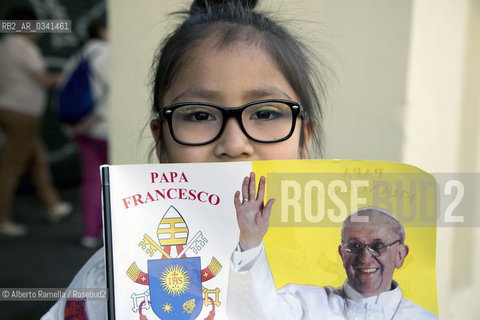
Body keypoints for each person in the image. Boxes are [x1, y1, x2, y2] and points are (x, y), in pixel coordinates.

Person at [42, 0, 325, 318]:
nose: (234, 144)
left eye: (265, 112)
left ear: (305, 139)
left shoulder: (339, 267)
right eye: (200, 115)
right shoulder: (108, 275)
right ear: (161, 142)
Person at [227, 197, 438, 319]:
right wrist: (251, 240)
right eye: (354, 246)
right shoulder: (305, 303)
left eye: (377, 246)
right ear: (342, 254)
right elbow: (254, 316)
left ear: (400, 255)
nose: (365, 257)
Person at [0, 6, 72, 237]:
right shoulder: (22, 46)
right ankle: (2, 220)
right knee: (11, 167)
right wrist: (68, 77)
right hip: (23, 112)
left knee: (37, 158)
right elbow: (43, 78)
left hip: (11, 109)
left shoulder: (5, 45)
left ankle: (53, 205)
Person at [59, 14, 110, 248]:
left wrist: (78, 124)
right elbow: (116, 91)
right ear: (102, 31)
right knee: (114, 181)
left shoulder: (78, 55)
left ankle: (90, 233)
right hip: (105, 128)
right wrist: (94, 118)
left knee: (91, 181)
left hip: (81, 128)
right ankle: (110, 233)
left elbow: (63, 88)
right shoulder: (106, 54)